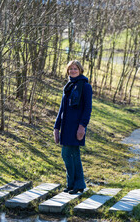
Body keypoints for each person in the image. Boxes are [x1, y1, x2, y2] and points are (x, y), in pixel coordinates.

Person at [53, 60, 92, 194]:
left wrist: (82, 127)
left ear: (80, 70)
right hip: (66, 126)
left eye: (75, 68)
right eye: (70, 69)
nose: (73, 71)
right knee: (72, 155)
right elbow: (61, 109)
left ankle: (77, 183)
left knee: (68, 154)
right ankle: (74, 185)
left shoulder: (86, 86)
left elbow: (87, 109)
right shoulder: (68, 86)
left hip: (76, 127)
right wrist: (56, 127)